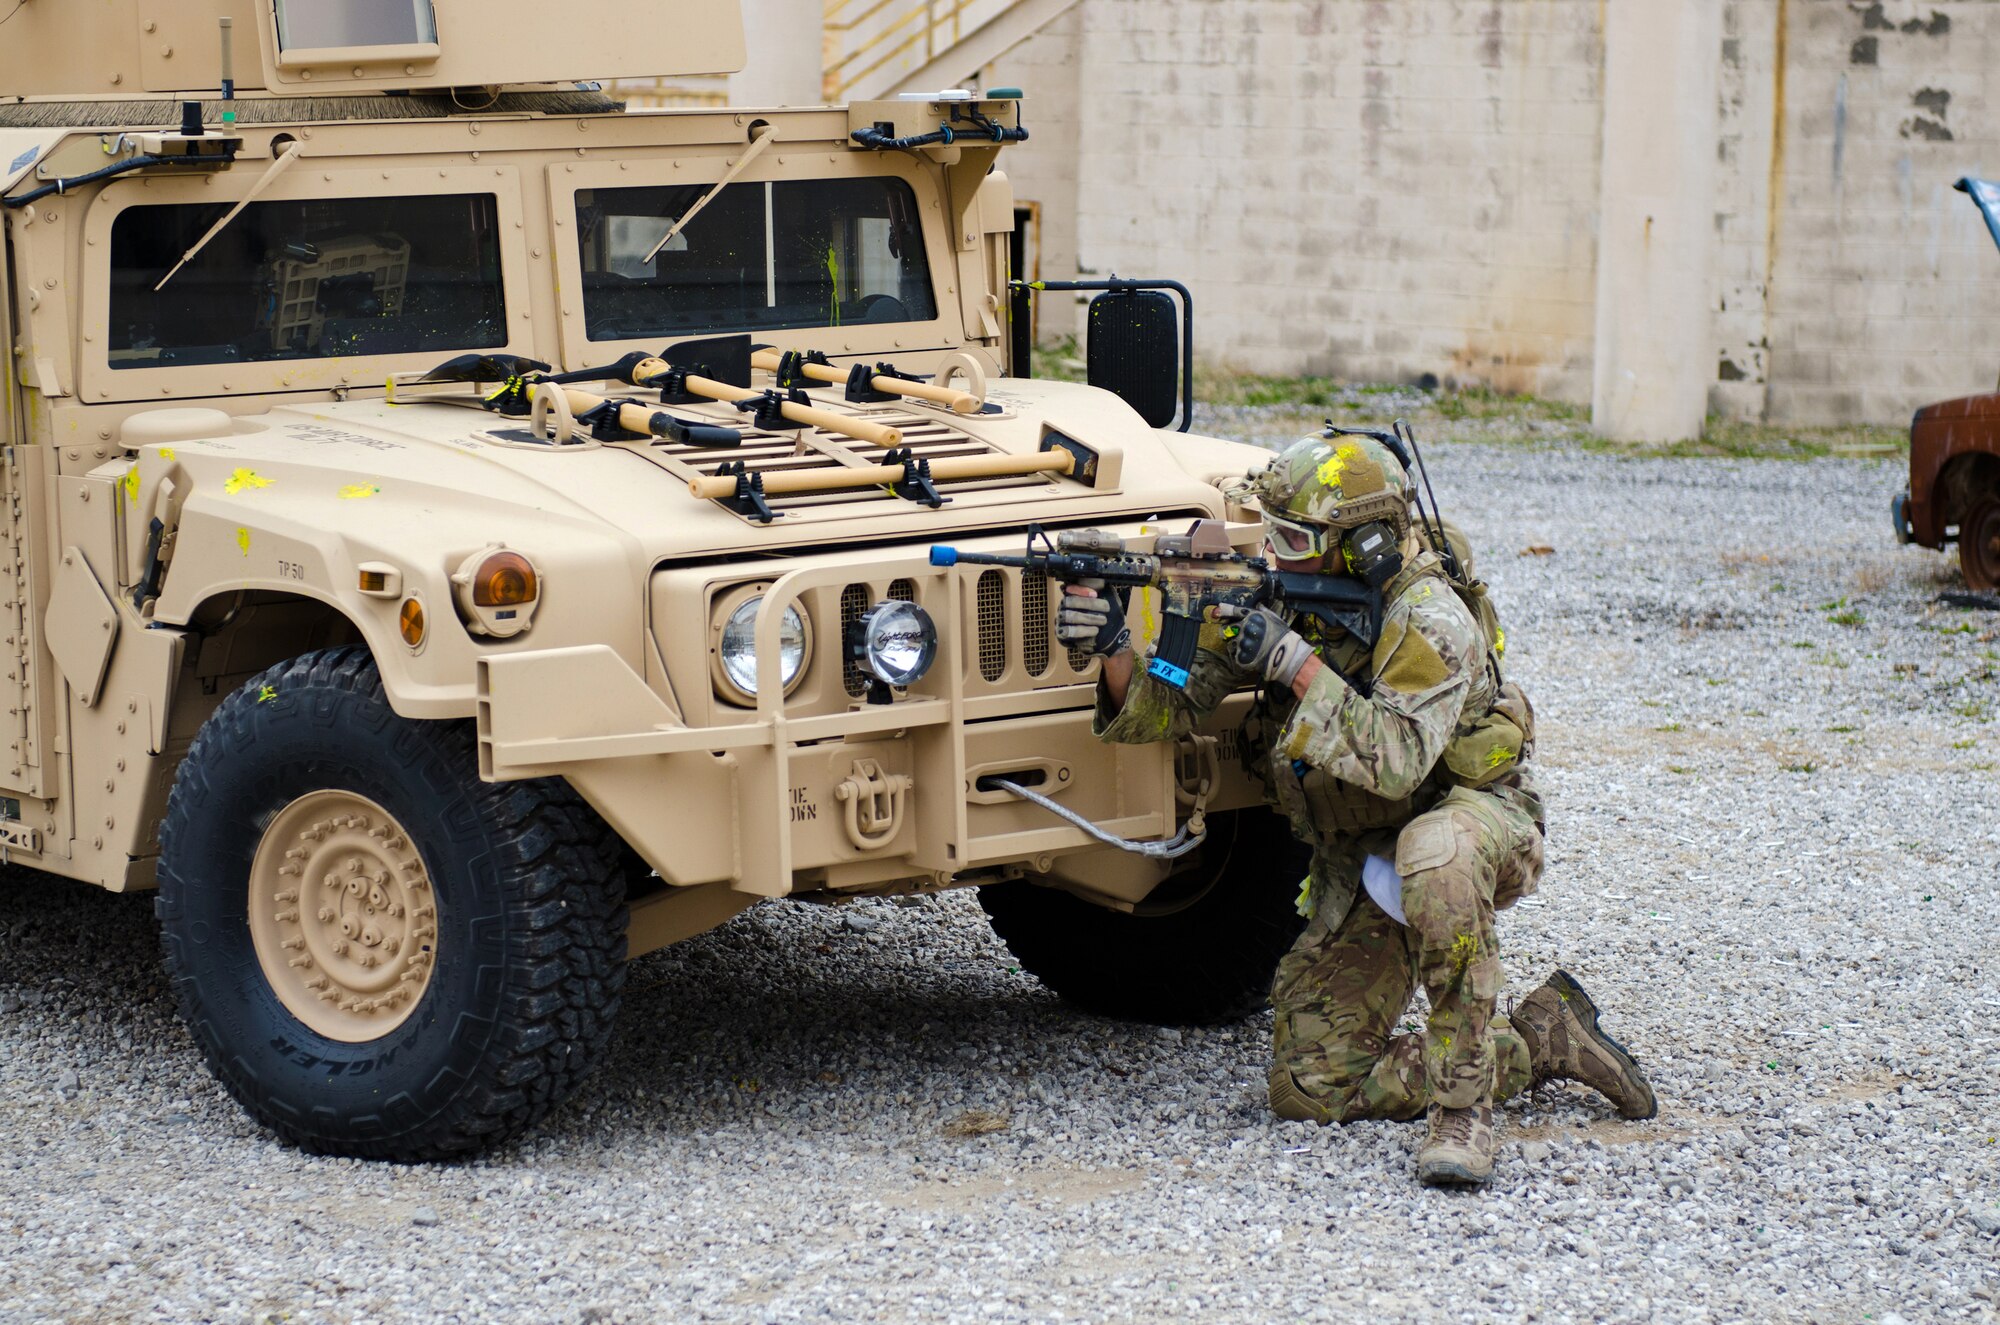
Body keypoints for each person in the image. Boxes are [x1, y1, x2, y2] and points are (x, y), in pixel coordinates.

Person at [1060, 433, 1656, 1186]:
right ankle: (1544, 1040)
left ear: (1364, 545)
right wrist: (1115, 646)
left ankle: (1461, 1109)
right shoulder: (1279, 593)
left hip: (1472, 816)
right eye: (1269, 531)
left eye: (1294, 538)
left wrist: (1292, 663)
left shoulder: (1429, 617)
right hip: (1368, 847)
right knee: (1310, 1085)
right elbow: (1164, 711)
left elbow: (1398, 755)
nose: (1273, 552)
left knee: (1437, 858)